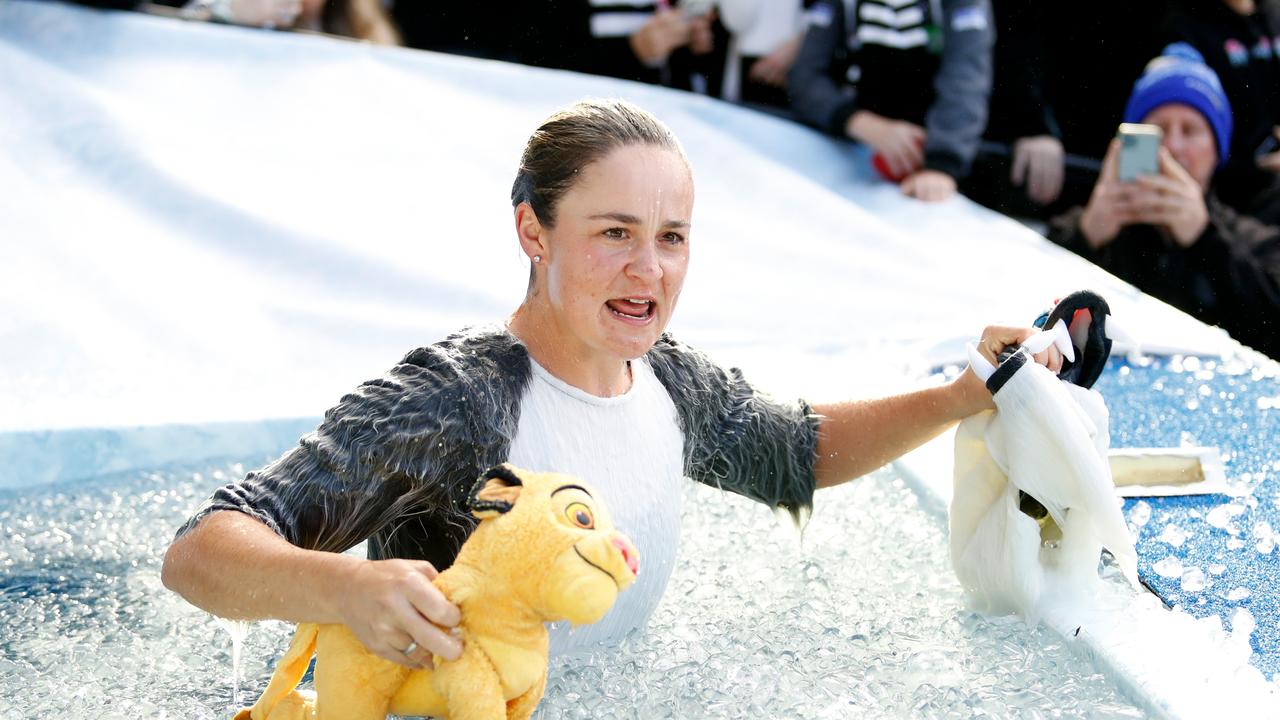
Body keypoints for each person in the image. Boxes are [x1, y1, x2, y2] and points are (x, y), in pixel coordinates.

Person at [162, 99, 1059, 667]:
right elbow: (201, 552)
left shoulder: (667, 380)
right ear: (533, 230)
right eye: (615, 233)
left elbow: (797, 450)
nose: (648, 271)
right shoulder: (455, 398)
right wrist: (347, 590)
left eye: (671, 238)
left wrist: (963, 392)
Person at [1048, 46, 1280, 360]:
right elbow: (1034, 320)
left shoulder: (1254, 241)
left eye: (1190, 130)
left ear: (1216, 151)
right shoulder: (1089, 224)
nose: (1172, 146)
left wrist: (1205, 238)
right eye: (1156, 132)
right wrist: (1086, 236)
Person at [787, 0, 994, 202]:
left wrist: (942, 164)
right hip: (851, 154)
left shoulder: (961, 5)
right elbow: (804, 78)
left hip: (929, 159)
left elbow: (965, 81)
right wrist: (861, 123)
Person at [1157, 0, 1280, 220]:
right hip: (1233, 195)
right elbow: (1180, 137)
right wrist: (1254, 166)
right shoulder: (1184, 27)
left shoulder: (1274, 14)